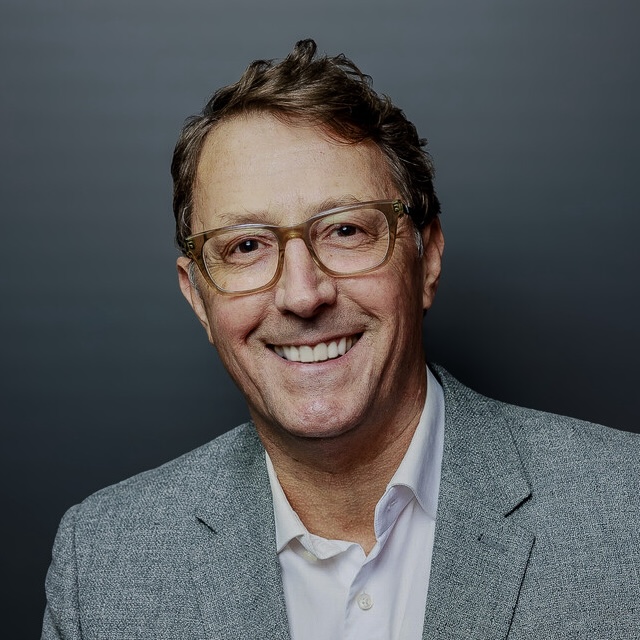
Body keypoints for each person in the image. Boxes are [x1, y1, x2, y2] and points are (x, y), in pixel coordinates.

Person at [42, 39, 640, 639]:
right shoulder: (100, 565)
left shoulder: (624, 509)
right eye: (245, 246)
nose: (303, 295)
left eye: (346, 230)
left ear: (428, 258)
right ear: (198, 297)